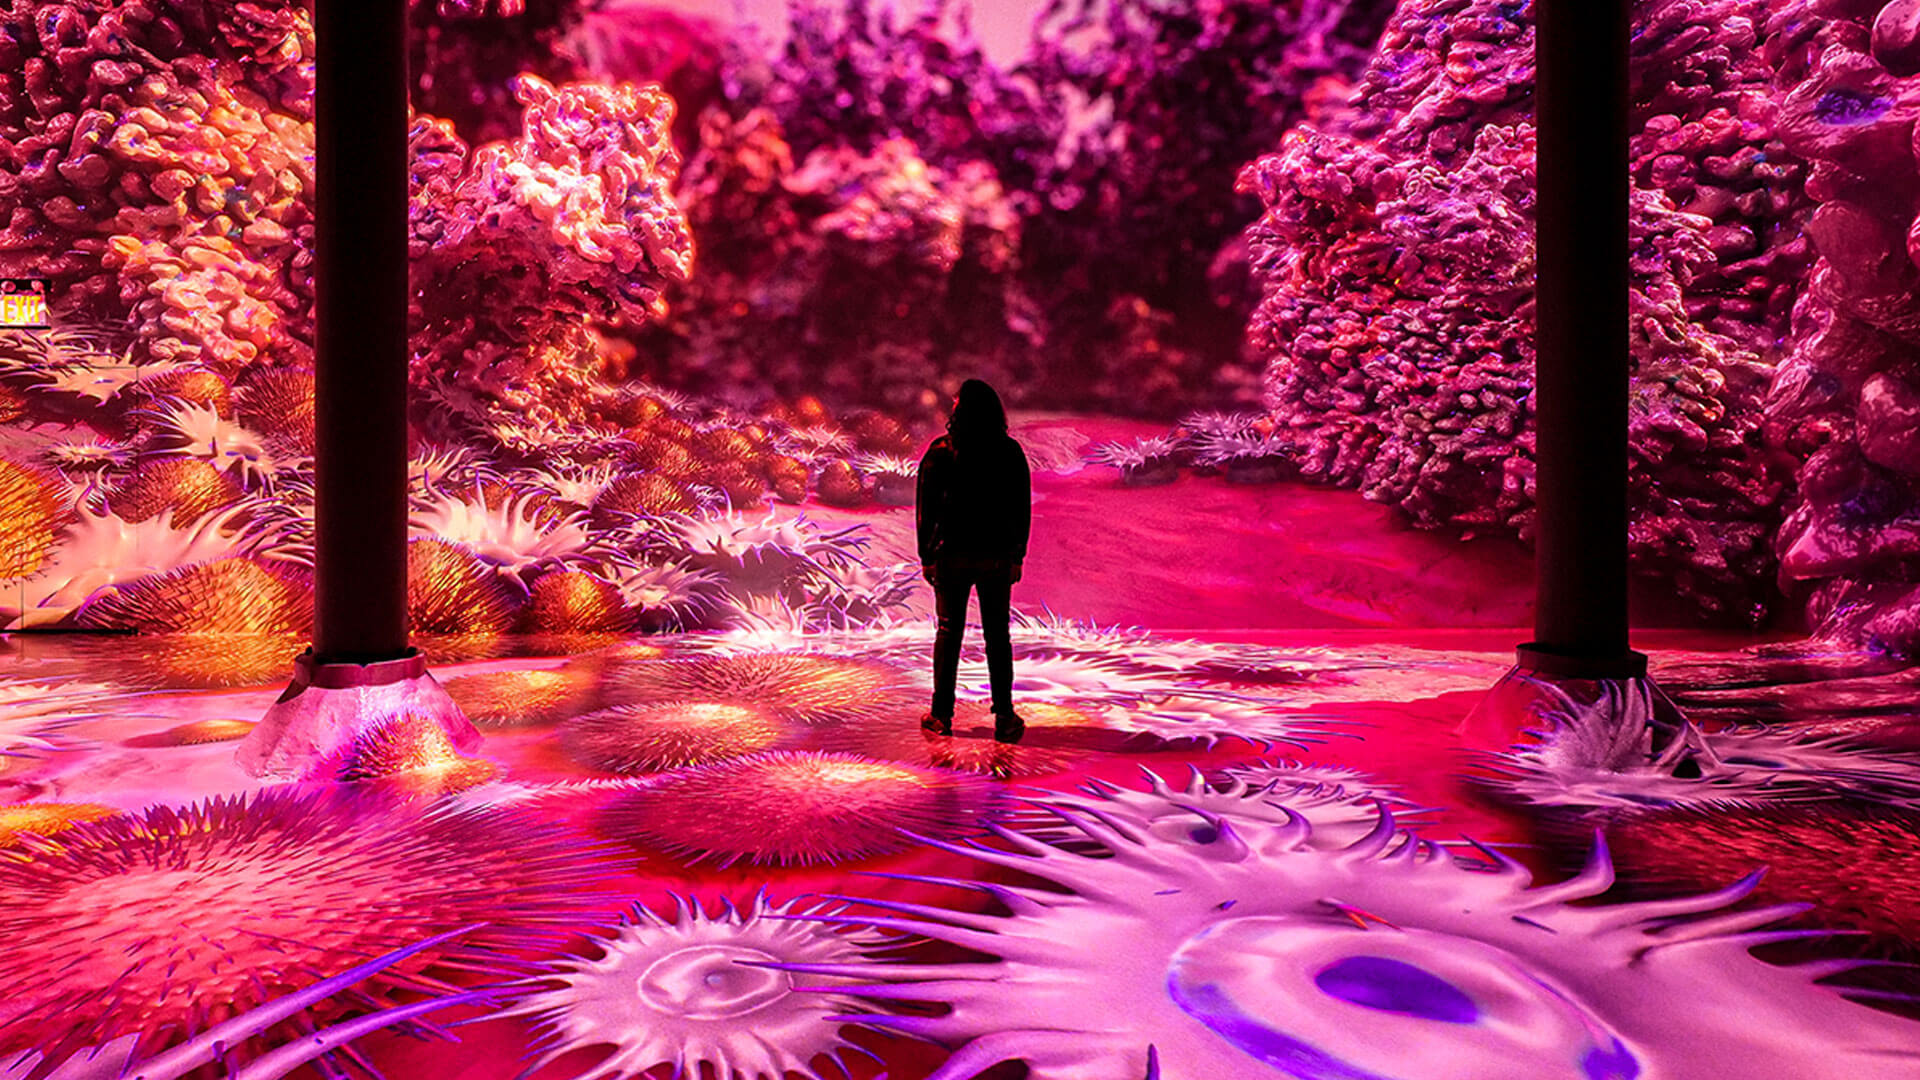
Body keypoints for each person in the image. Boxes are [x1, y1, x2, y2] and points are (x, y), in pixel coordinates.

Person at [915, 379, 1032, 744]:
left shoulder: (941, 453)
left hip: (952, 557)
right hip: (996, 557)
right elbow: (1020, 510)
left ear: (960, 411)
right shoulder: (1010, 453)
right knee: (998, 636)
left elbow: (927, 511)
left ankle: (941, 714)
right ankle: (1005, 716)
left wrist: (927, 557)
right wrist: (1016, 555)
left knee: (949, 634)